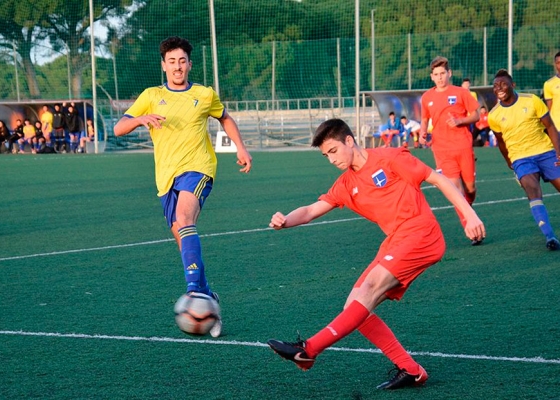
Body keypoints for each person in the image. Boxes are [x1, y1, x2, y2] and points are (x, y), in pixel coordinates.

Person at [266, 118, 485, 390]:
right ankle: (411, 370)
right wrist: (285, 220)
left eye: (333, 151)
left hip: (421, 233)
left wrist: (470, 216)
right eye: (326, 156)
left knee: (368, 288)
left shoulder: (390, 158)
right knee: (355, 306)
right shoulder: (345, 184)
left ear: (349, 140)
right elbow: (311, 210)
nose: (331, 159)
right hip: (395, 241)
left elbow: (438, 179)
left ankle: (308, 350)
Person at [113, 36, 252, 338]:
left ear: (190, 64)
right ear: (163, 65)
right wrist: (140, 119)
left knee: (185, 218)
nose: (177, 66)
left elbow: (225, 118)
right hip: (165, 177)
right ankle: (207, 297)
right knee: (181, 233)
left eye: (182, 61)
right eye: (171, 61)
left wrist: (241, 148)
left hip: (198, 167)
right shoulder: (150, 95)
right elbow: (118, 127)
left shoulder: (204, 94)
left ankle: (192, 291)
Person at [488, 69, 560, 250]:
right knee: (533, 192)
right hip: (521, 158)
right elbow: (501, 142)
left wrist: (558, 152)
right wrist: (509, 161)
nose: (499, 88)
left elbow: (550, 126)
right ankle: (550, 236)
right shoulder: (494, 115)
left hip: (546, 152)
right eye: (495, 85)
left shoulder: (532, 100)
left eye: (503, 84)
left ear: (513, 85)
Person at [420, 56, 481, 245]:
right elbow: (424, 119)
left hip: (463, 146)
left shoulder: (462, 93)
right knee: (455, 190)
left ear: (449, 73)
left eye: (442, 74)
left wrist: (460, 121)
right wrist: (423, 132)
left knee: (469, 190)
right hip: (441, 149)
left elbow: (476, 115)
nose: (439, 78)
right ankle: (471, 229)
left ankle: (468, 205)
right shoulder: (427, 97)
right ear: (431, 76)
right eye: (436, 74)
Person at [543, 51, 560, 130]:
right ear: (555, 64)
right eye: (558, 63)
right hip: (557, 126)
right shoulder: (549, 84)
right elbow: (549, 108)